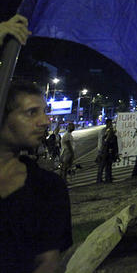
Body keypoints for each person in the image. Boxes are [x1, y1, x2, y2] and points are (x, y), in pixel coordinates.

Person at [1, 81, 73, 273]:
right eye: (32, 112)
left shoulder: (48, 187)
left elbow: (47, 263)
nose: (45, 121)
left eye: (44, 111)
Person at [96, 118, 118, 183]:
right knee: (101, 166)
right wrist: (99, 151)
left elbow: (114, 144)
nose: (111, 125)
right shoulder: (103, 132)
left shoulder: (113, 134)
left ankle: (108, 178)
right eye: (110, 123)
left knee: (109, 166)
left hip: (109, 152)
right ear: (107, 123)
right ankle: (99, 179)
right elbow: (102, 141)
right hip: (103, 151)